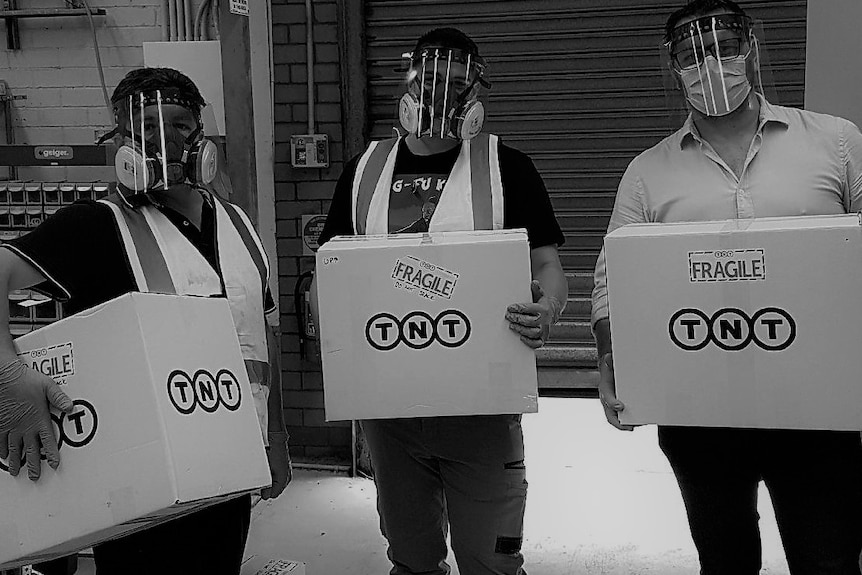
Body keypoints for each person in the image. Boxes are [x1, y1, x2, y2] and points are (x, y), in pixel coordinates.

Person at [591, 2, 862, 573]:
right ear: (674, 68)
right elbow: (613, 274)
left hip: (818, 410)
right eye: (691, 55)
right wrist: (611, 354)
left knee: (829, 557)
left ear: (752, 51)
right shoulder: (648, 172)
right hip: (700, 413)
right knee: (725, 557)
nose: (709, 64)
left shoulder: (836, 143)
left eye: (722, 47)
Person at [0, 67, 291, 574]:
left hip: (230, 463)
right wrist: (9, 376)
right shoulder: (96, 226)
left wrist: (278, 440)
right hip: (143, 477)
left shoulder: (240, 225)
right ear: (121, 143)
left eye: (179, 125)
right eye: (148, 128)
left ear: (203, 136)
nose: (166, 142)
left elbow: (263, 341)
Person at [311, 27, 567, 575]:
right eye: (430, 82)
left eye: (456, 85)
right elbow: (331, 270)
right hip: (389, 413)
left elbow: (546, 264)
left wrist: (547, 309)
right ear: (409, 86)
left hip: (482, 408)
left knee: (490, 562)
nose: (440, 97)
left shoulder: (509, 168)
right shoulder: (363, 171)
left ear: (476, 93)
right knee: (412, 557)